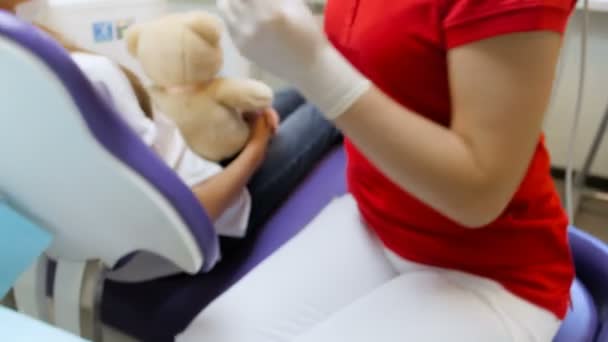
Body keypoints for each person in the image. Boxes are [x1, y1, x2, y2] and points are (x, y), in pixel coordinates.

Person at [176, 0, 578, 341]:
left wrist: (312, 66)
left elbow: (478, 196)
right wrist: (286, 39)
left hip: (490, 272)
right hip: (376, 220)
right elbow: (392, 43)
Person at [3, 0, 341, 280]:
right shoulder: (90, 74)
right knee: (334, 97)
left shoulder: (25, 72)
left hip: (165, 185)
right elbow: (188, 211)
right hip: (209, 215)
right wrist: (256, 147)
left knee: (289, 95)